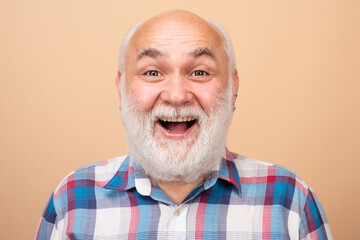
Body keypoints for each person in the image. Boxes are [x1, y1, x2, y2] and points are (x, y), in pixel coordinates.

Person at [35, 10, 332, 239]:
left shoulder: (291, 200)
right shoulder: (72, 199)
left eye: (200, 72)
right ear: (122, 88)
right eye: (152, 73)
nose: (177, 96)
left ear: (232, 86)